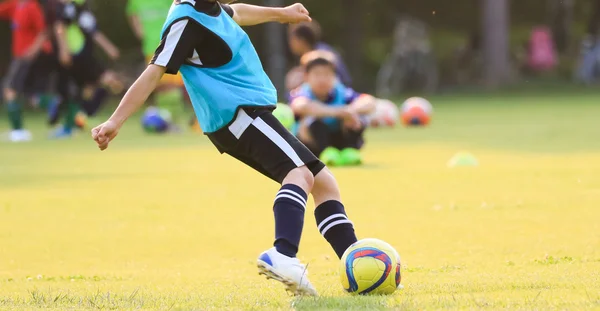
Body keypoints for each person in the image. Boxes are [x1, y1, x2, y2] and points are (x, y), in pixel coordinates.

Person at [92, 0, 360, 296]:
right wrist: (115, 121)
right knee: (299, 174)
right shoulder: (185, 20)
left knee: (323, 183)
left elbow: (237, 12)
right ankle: (283, 254)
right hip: (238, 114)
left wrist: (281, 14)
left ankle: (356, 263)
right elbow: (153, 72)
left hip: (248, 112)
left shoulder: (208, 7)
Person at [289, 51, 375, 166]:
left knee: (357, 117)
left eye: (327, 74)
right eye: (317, 74)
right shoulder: (302, 92)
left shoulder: (341, 92)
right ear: (306, 76)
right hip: (313, 145)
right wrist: (338, 112)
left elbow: (369, 102)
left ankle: (349, 151)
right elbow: (301, 106)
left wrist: (350, 111)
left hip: (338, 137)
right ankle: (326, 153)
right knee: (311, 121)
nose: (322, 79)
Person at [51, 0, 123, 138]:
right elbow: (60, 27)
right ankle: (70, 124)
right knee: (77, 89)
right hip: (75, 55)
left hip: (86, 56)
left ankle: (81, 118)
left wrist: (109, 48)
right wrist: (63, 49)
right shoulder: (69, 7)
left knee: (89, 89)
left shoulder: (83, 8)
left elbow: (94, 32)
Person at [127, 0, 186, 131]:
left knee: (173, 85)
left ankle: (174, 120)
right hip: (151, 47)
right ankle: (165, 120)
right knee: (158, 85)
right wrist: (141, 33)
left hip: (171, 44)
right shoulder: (135, 2)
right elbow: (132, 15)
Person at [0, 0, 51, 142]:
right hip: (21, 56)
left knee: (10, 90)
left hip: (29, 57)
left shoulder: (32, 6)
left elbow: (44, 31)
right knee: (31, 96)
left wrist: (32, 51)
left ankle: (18, 131)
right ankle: (64, 108)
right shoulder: (15, 5)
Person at [287, 21, 352, 90]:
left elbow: (340, 81)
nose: (290, 43)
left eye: (292, 39)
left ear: (302, 40)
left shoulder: (322, 55)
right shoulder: (312, 52)